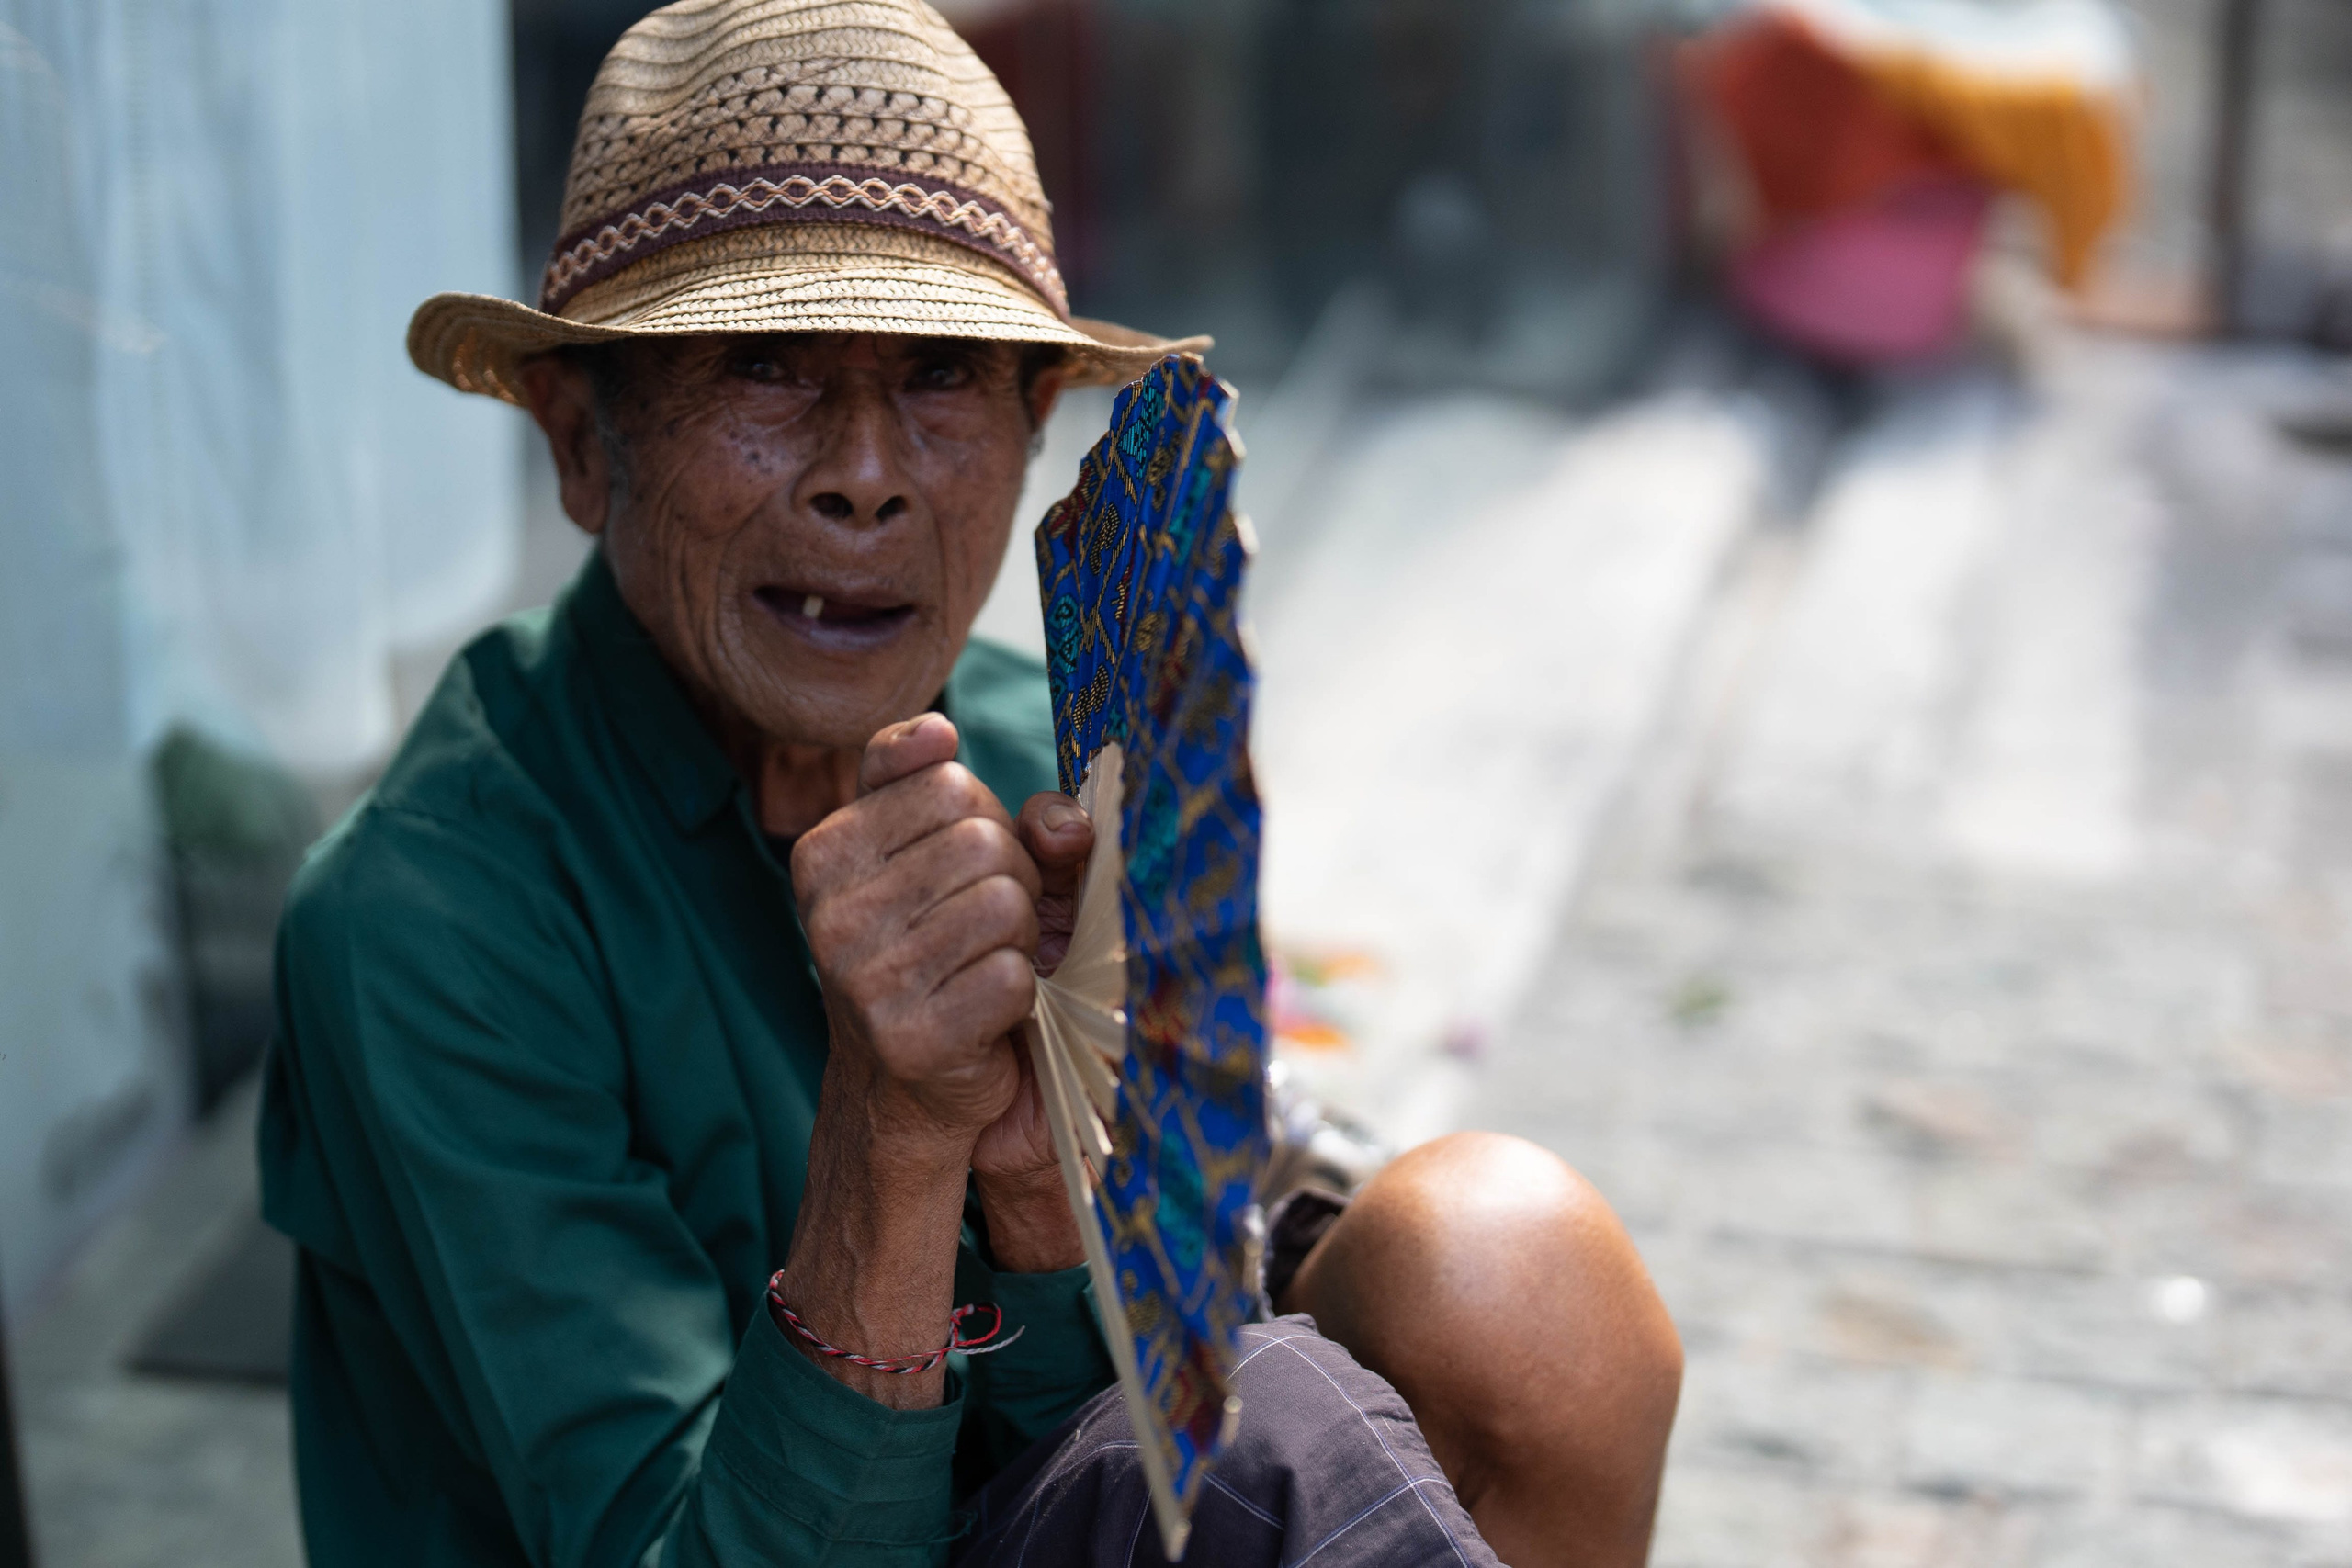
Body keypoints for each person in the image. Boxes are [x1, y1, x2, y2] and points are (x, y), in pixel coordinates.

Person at [261, 3, 1683, 1564]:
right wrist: (890, 1139)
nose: (866, 475)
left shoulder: (1047, 762)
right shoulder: (428, 916)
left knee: (1510, 1270)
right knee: (1282, 1430)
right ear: (583, 445)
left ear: (1027, 432)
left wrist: (1047, 1199)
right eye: (765, 368)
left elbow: (1123, 1407)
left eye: (941, 377)